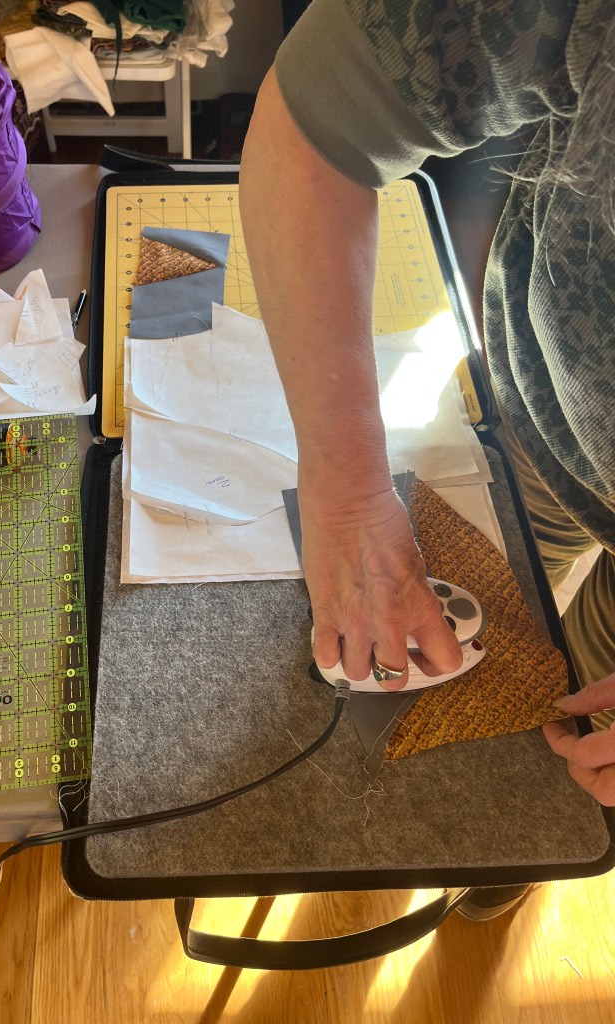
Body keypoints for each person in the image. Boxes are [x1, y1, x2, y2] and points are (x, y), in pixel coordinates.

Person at [238, 0, 615, 917]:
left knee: (569, 763)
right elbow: (314, 131)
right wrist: (346, 495)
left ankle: (505, 852)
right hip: (547, 421)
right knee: (506, 674)